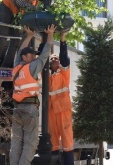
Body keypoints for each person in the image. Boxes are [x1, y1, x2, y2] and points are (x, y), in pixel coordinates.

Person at [10, 24, 56, 165]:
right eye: (31, 54)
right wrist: (50, 34)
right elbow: (45, 54)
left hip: (17, 109)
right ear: (26, 56)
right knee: (30, 142)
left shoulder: (16, 66)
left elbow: (20, 51)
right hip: (30, 108)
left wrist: (29, 35)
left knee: (16, 141)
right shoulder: (32, 67)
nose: (33, 56)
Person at [48, 31, 74, 165]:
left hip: (63, 110)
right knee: (53, 144)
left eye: (55, 59)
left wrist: (62, 40)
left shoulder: (63, 73)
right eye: (51, 59)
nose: (54, 60)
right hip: (51, 112)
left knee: (67, 142)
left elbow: (64, 57)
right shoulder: (47, 76)